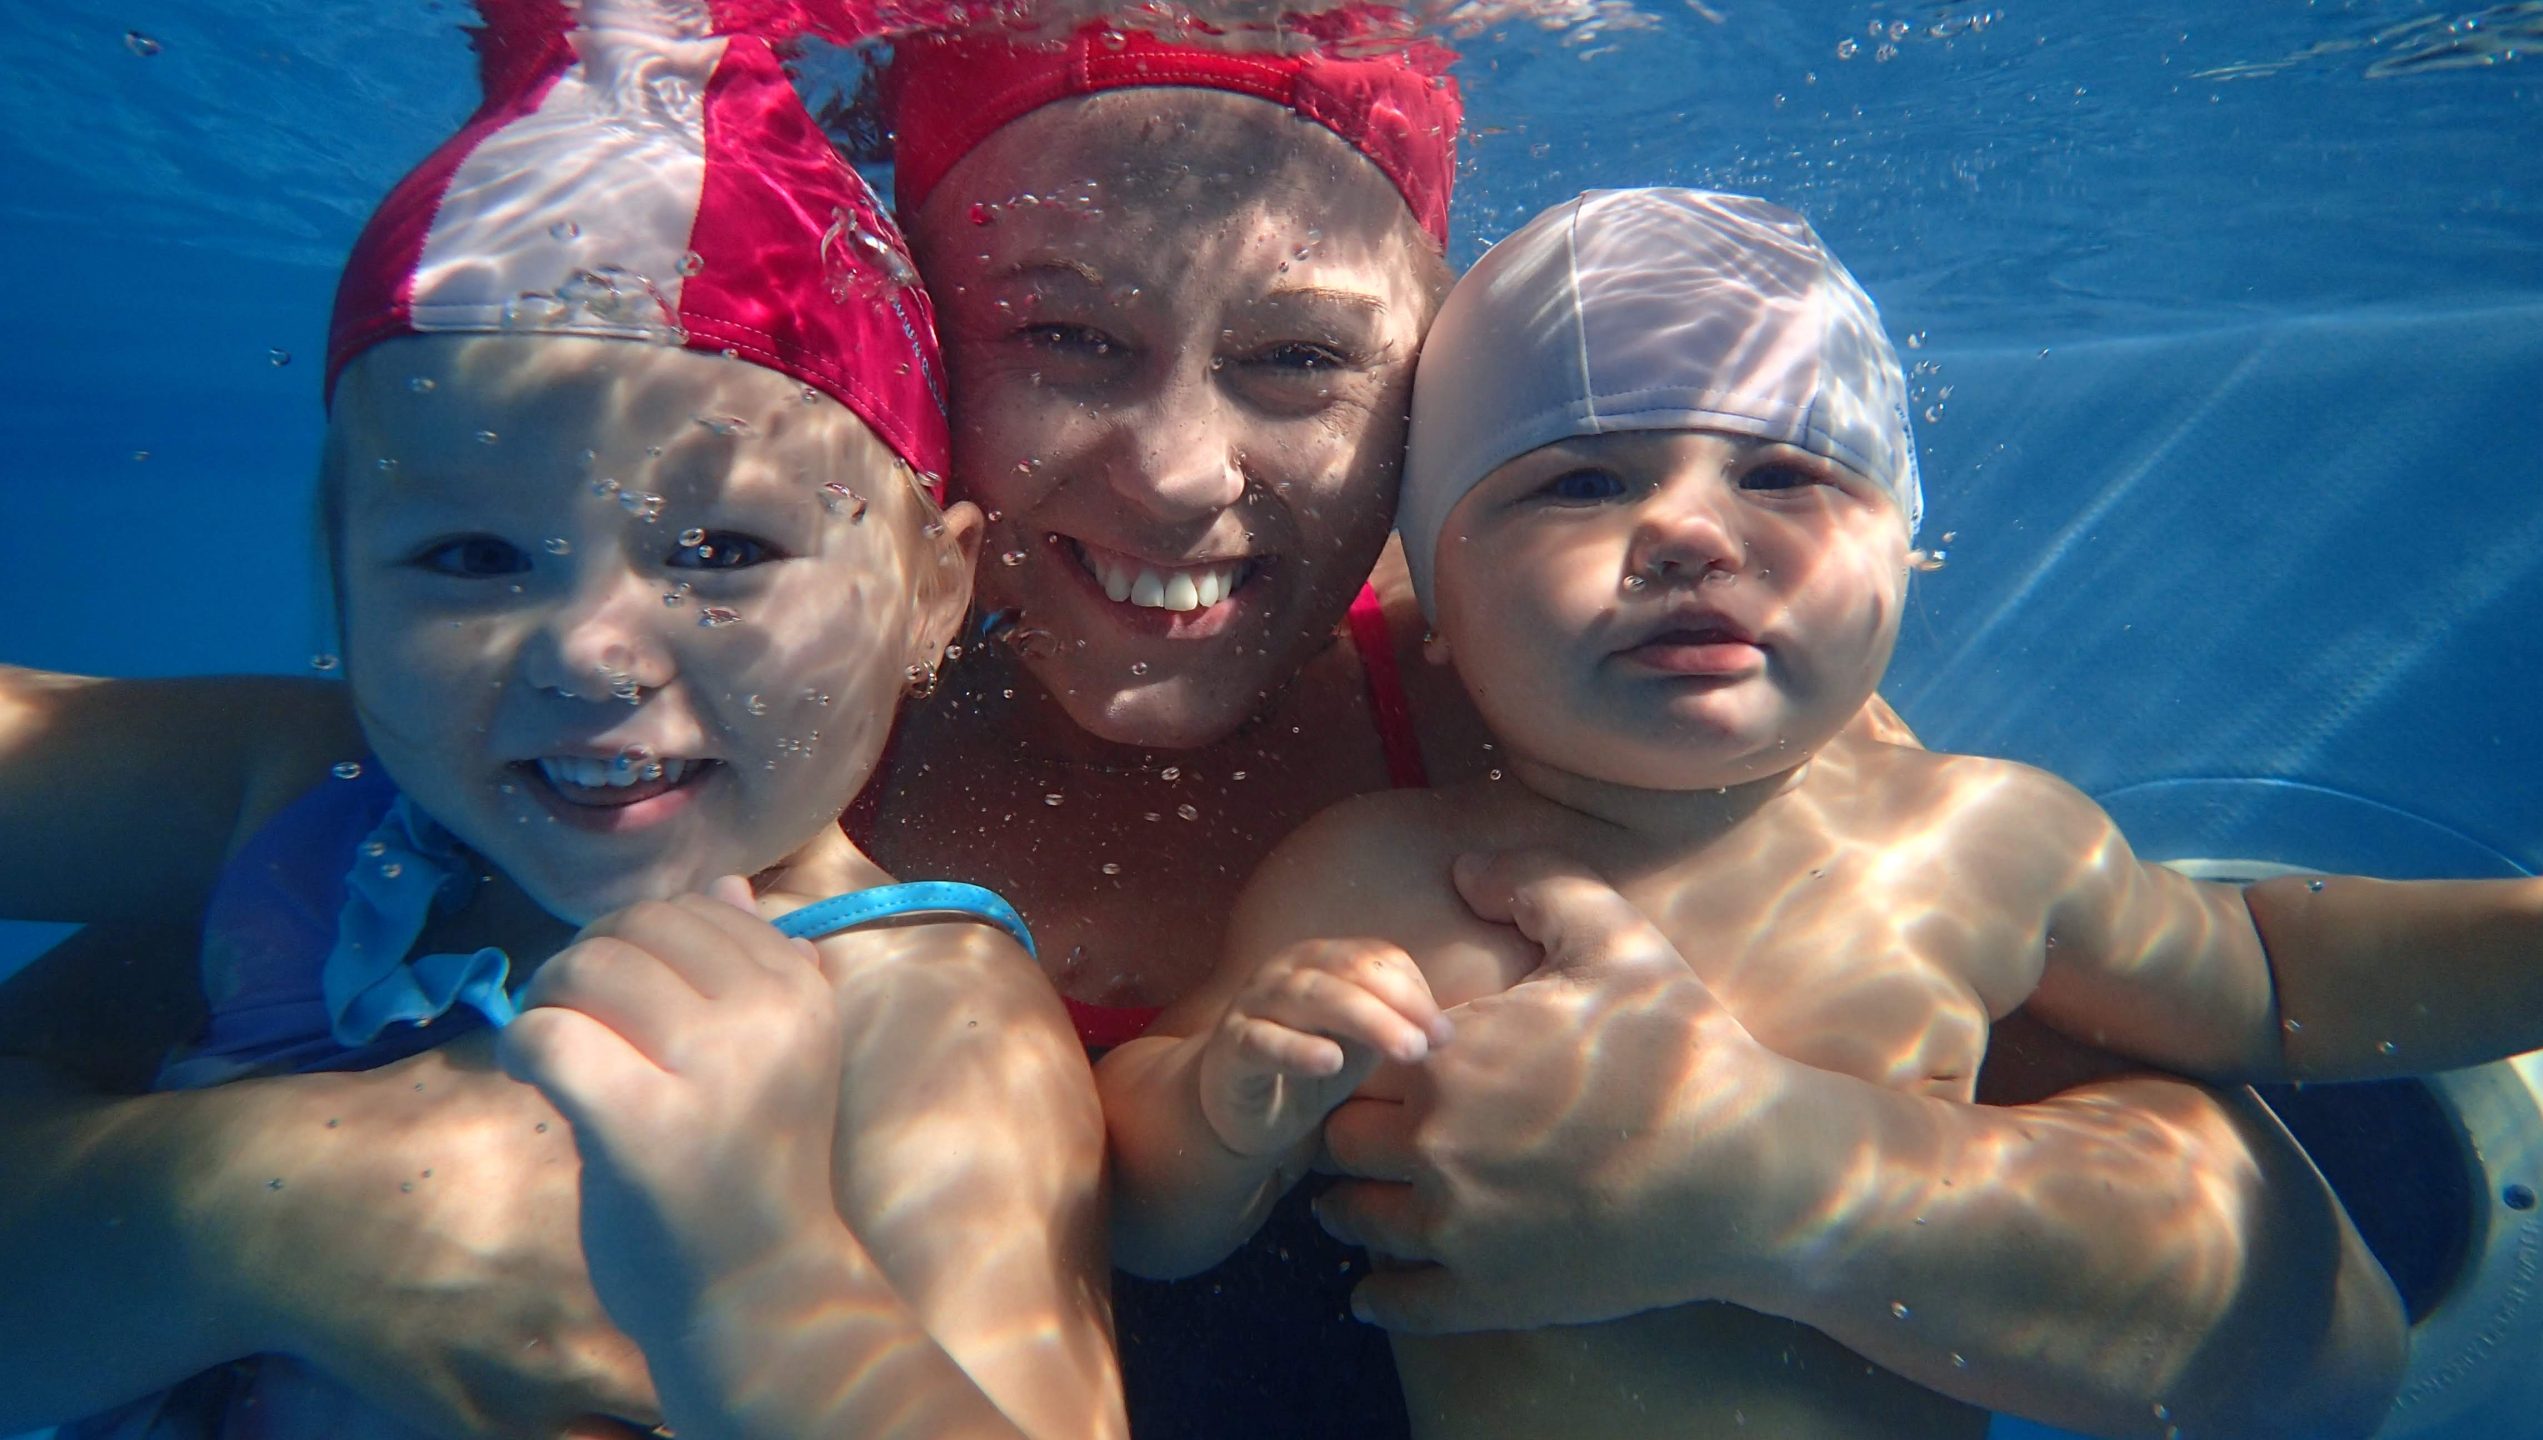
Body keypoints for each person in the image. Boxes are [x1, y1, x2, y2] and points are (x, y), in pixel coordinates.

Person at [0, 13, 2411, 1440]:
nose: (1176, 475)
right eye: (1058, 338)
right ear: (908, 388)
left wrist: (1817, 1192)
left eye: (1293, 363)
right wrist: (242, 1208)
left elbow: (2319, 1336)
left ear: (1422, 392)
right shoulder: (666, 725)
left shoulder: (1553, 719)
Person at [1098, 188, 2443, 1438]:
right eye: (1583, 482)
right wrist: (1222, 1110)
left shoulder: (1978, 840)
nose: (1690, 531)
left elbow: (2271, 980)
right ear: (1432, 601)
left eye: (1787, 475)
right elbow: (1145, 1215)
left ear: (1904, 551)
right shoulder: (1376, 878)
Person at [0, 5, 1119, 1439]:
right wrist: (251, 1207)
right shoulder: (307, 802)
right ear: (339, 569)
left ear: (931, 594)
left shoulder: (923, 1011)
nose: (591, 653)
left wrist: (757, 1285)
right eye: (470, 557)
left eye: (721, 551)